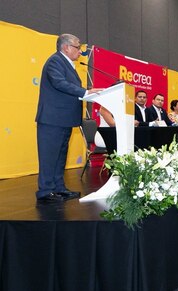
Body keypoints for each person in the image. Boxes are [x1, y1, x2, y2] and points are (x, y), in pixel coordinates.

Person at [34, 34, 103, 203]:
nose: (80, 51)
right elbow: (59, 83)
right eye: (77, 47)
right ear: (66, 47)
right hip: (52, 119)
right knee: (50, 156)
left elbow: (69, 87)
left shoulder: (68, 64)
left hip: (63, 119)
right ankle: (45, 191)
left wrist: (88, 92)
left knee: (60, 156)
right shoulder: (55, 61)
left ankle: (59, 188)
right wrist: (85, 92)